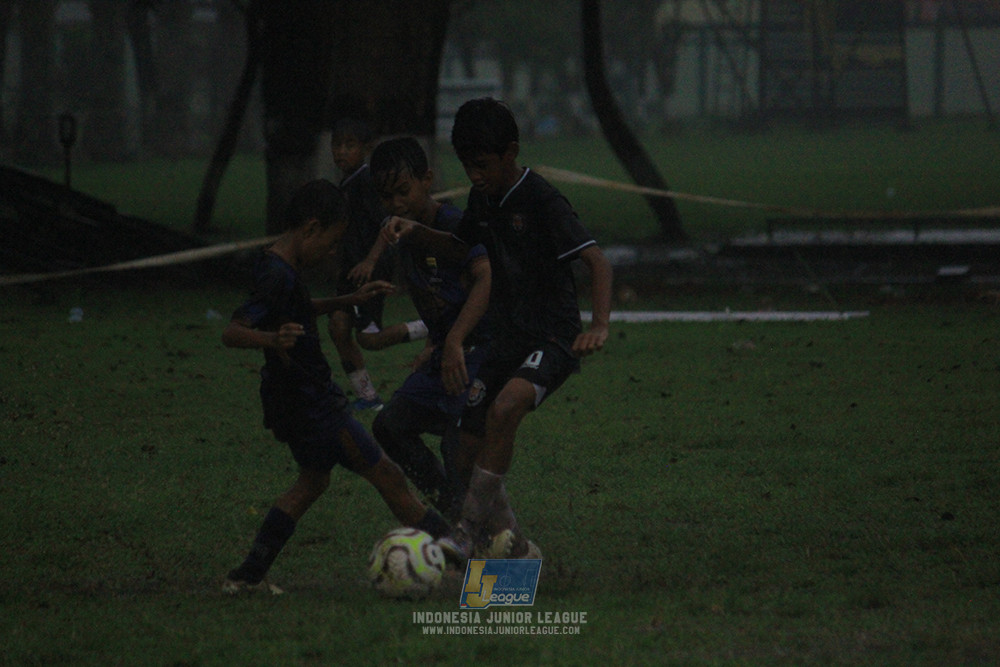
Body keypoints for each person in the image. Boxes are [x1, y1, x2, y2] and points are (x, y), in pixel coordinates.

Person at [383, 98, 613, 562]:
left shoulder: (542, 199)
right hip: (506, 340)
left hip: (551, 337)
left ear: (511, 151)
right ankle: (519, 550)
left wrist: (599, 325)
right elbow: (460, 246)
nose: (475, 174)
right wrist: (416, 231)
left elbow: (597, 261)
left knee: (506, 408)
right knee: (466, 454)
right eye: (467, 165)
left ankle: (466, 535)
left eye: (482, 164)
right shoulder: (481, 199)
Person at [221, 179, 450, 595]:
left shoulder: (283, 268)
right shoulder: (275, 274)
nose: (331, 253)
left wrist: (348, 300)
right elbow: (234, 332)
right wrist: (272, 340)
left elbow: (300, 310)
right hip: (314, 405)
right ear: (311, 228)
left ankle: (247, 576)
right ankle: (467, 563)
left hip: (293, 402)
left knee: (312, 482)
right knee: (390, 477)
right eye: (330, 243)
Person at [356, 136, 491, 516]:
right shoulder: (400, 232)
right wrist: (435, 343)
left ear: (427, 179)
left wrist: (454, 342)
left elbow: (485, 278)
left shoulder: (452, 225)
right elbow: (441, 295)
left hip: (482, 352)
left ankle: (495, 558)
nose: (396, 204)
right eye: (386, 197)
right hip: (446, 354)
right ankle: (451, 507)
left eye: (403, 191)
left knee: (458, 443)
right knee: (389, 426)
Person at [327, 118, 403, 411]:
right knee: (337, 327)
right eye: (337, 145)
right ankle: (368, 398)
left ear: (365, 149)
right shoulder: (346, 184)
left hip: (369, 269)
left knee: (369, 338)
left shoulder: (367, 181)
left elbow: (388, 223)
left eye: (349, 145)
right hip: (351, 269)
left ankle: (431, 328)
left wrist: (370, 260)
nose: (341, 152)